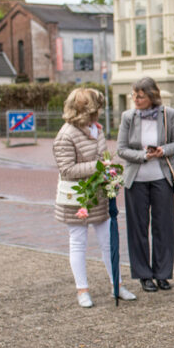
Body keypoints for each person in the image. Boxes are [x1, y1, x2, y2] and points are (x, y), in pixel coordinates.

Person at [53, 88, 137, 307]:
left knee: (109, 242)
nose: (100, 111)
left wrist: (109, 172)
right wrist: (99, 166)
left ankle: (117, 285)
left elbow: (103, 155)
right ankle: (82, 290)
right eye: (97, 108)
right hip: (76, 197)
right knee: (78, 242)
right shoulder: (65, 135)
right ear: (85, 110)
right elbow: (66, 169)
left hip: (98, 194)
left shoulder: (96, 129)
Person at [116, 78, 174, 293]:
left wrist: (163, 151)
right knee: (138, 228)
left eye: (140, 96)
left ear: (152, 96)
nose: (136, 99)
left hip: (162, 178)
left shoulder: (168, 114)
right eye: (134, 95)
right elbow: (121, 149)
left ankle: (163, 274)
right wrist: (143, 155)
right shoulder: (128, 117)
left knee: (164, 227)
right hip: (136, 180)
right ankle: (144, 275)